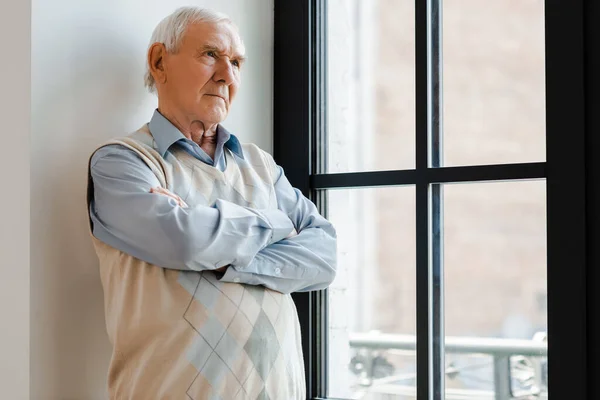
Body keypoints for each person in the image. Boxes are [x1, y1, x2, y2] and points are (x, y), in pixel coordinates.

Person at [86, 6, 337, 399]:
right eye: (210, 55)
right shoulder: (123, 161)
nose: (227, 74)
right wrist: (277, 225)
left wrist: (224, 251)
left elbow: (323, 259)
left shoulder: (260, 165)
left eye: (236, 61)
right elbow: (185, 241)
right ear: (158, 61)